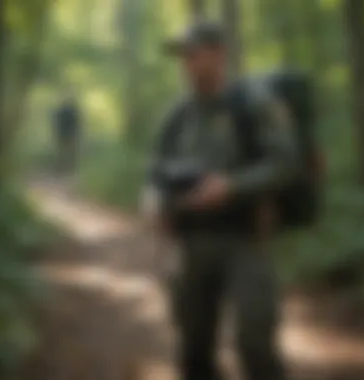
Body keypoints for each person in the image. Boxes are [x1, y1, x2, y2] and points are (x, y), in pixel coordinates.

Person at [142, 21, 299, 380]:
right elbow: (156, 170)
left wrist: (232, 186)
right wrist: (154, 201)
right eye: (183, 55)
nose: (186, 62)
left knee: (255, 342)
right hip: (192, 243)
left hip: (246, 238)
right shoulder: (177, 115)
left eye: (193, 53)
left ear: (218, 54)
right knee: (193, 348)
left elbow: (286, 162)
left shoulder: (255, 104)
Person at [53, 90, 81, 174]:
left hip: (64, 133)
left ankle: (64, 168)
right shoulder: (72, 110)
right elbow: (76, 123)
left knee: (64, 152)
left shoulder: (62, 110)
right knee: (68, 152)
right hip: (68, 134)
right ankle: (67, 169)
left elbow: (57, 122)